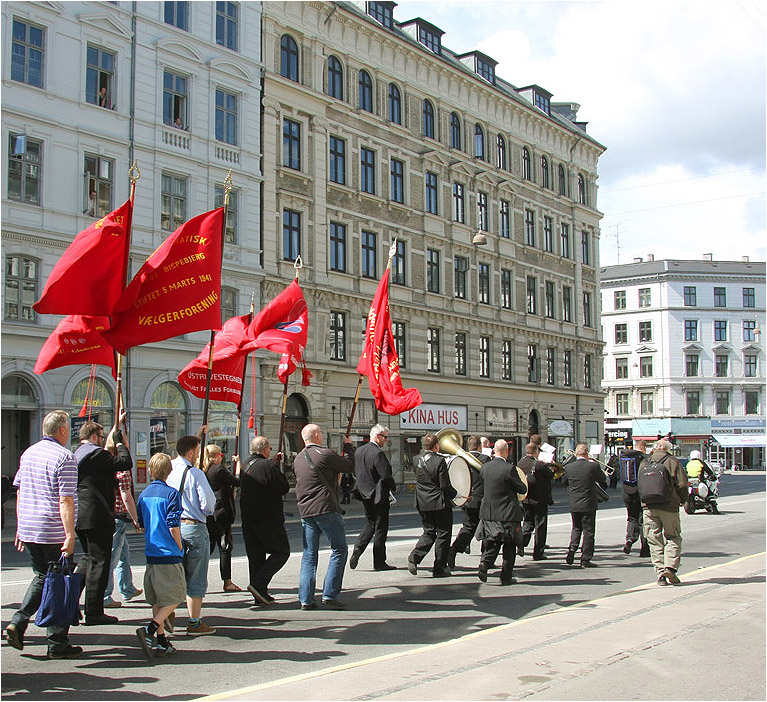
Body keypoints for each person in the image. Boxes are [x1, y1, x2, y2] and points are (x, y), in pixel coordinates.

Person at [6, 410, 82, 659]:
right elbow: (66, 500)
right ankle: (53, 639)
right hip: (52, 529)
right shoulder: (64, 457)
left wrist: (20, 525)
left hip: (29, 526)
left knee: (43, 576)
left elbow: (19, 491)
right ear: (61, 430)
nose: (69, 432)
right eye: (68, 428)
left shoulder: (29, 453)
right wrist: (69, 535)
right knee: (57, 581)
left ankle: (29, 626)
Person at [74, 417, 132, 625]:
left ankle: (71, 601)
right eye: (99, 436)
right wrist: (119, 443)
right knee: (99, 563)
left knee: (89, 559)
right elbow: (125, 463)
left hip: (81, 515)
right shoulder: (96, 454)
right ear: (92, 437)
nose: (101, 440)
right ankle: (94, 611)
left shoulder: (78, 454)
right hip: (97, 515)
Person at [293, 424, 355, 610]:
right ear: (317, 436)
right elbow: (349, 466)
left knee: (309, 555)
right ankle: (329, 594)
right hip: (326, 508)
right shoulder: (324, 454)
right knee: (339, 549)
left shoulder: (298, 458)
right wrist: (348, 446)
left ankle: (306, 599)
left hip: (306, 511)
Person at [135, 453, 185, 659]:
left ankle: (162, 641)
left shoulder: (144, 494)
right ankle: (150, 628)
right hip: (168, 551)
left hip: (152, 551)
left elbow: (141, 523)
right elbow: (174, 525)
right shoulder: (172, 494)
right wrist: (179, 547)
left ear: (150, 470)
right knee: (177, 595)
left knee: (158, 599)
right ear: (169, 471)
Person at [166, 436, 216, 635]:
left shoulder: (168, 468)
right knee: (195, 576)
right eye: (197, 452)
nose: (198, 456)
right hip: (193, 527)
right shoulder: (195, 473)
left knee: (175, 573)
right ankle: (194, 623)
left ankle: (167, 615)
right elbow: (208, 505)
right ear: (190, 453)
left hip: (172, 527)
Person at [240, 436, 289, 606]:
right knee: (281, 552)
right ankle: (258, 584)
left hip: (248, 517)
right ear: (265, 450)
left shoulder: (245, 464)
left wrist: (273, 465)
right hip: (267, 518)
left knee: (256, 556)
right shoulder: (267, 466)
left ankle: (259, 593)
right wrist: (276, 467)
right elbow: (283, 486)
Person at [476, 439, 528, 585]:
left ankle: (484, 564)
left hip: (489, 512)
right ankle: (506, 576)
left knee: (492, 541)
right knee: (509, 545)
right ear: (506, 451)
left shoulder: (485, 468)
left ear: (494, 450)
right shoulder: (509, 468)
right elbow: (522, 489)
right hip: (507, 512)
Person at [408, 433, 456, 578]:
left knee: (428, 532)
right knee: (443, 534)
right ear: (436, 446)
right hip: (439, 503)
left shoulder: (417, 460)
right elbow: (445, 485)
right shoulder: (439, 461)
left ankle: (414, 556)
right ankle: (439, 568)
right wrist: (457, 494)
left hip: (422, 502)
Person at [350, 424, 397, 571]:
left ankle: (358, 547)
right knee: (381, 528)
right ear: (377, 436)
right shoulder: (377, 453)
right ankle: (379, 562)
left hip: (364, 494)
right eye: (384, 437)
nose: (385, 440)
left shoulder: (359, 451)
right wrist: (393, 486)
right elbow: (385, 475)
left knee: (370, 523)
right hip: (378, 495)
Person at [643, 439, 688, 586]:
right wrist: (682, 499)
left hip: (649, 506)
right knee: (673, 536)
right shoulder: (672, 461)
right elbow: (682, 484)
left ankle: (660, 574)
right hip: (669, 506)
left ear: (654, 448)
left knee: (654, 540)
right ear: (668, 449)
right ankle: (670, 567)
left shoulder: (645, 462)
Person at [103, 458, 143, 609]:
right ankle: (105, 595)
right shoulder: (123, 472)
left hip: (110, 517)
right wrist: (136, 518)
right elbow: (127, 496)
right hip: (118, 518)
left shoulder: (106, 468)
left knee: (123, 555)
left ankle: (127, 588)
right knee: (112, 558)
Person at [202, 444, 242, 593]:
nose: (222, 457)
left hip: (209, 513)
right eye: (220, 455)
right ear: (215, 457)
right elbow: (237, 481)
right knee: (225, 546)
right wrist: (237, 466)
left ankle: (196, 576)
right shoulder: (218, 470)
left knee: (209, 545)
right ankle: (227, 581)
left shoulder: (204, 470)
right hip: (221, 512)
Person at [562, 443, 607, 568]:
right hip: (588, 503)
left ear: (576, 453)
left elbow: (564, 481)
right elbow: (602, 478)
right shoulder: (592, 466)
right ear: (586, 453)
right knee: (588, 531)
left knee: (576, 528)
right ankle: (585, 558)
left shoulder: (569, 467)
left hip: (574, 503)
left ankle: (572, 550)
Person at [447, 435, 488, 568]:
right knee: (487, 528)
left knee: (468, 527)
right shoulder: (485, 459)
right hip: (481, 498)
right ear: (480, 447)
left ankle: (454, 549)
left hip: (466, 498)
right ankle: (486, 559)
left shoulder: (461, 459)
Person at [517, 442, 554, 561]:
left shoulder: (520, 462)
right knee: (540, 525)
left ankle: (521, 543)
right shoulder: (539, 464)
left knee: (527, 522)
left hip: (526, 498)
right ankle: (538, 553)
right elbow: (550, 475)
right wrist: (551, 466)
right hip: (539, 499)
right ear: (536, 452)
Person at [619, 440, 650, 557]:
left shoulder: (624, 457)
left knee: (632, 517)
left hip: (626, 491)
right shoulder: (644, 458)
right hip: (640, 492)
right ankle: (645, 548)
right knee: (642, 519)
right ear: (644, 448)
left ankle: (630, 540)